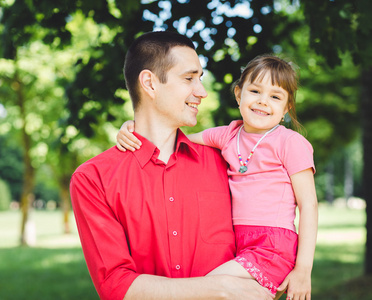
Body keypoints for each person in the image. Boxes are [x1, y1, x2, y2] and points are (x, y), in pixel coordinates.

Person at [70, 31, 274, 300]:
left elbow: (271, 237)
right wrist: (220, 289)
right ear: (150, 83)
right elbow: (115, 285)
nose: (202, 92)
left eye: (200, 79)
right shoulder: (94, 179)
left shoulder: (230, 161)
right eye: (189, 78)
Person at [117, 54, 319, 300]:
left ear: (286, 108)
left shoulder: (290, 142)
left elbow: (309, 205)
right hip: (238, 243)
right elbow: (173, 140)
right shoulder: (227, 136)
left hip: (273, 246)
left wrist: (303, 269)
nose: (263, 102)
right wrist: (133, 127)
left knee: (207, 287)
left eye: (275, 97)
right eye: (255, 91)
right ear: (238, 94)